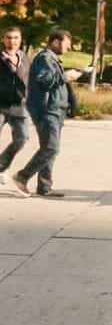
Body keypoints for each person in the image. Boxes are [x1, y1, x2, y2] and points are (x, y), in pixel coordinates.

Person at [12, 29, 78, 198]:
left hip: (55, 110)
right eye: (66, 43)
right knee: (50, 147)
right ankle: (22, 176)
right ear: (56, 42)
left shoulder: (52, 59)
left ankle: (44, 187)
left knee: (49, 148)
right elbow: (45, 80)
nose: (68, 48)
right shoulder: (45, 58)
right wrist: (65, 76)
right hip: (47, 110)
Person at [0, 26, 32, 186]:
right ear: (3, 39)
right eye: (8, 37)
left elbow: (29, 79)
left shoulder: (25, 57)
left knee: (22, 138)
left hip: (20, 105)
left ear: (20, 40)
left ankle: (1, 166)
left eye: (15, 38)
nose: (12, 41)